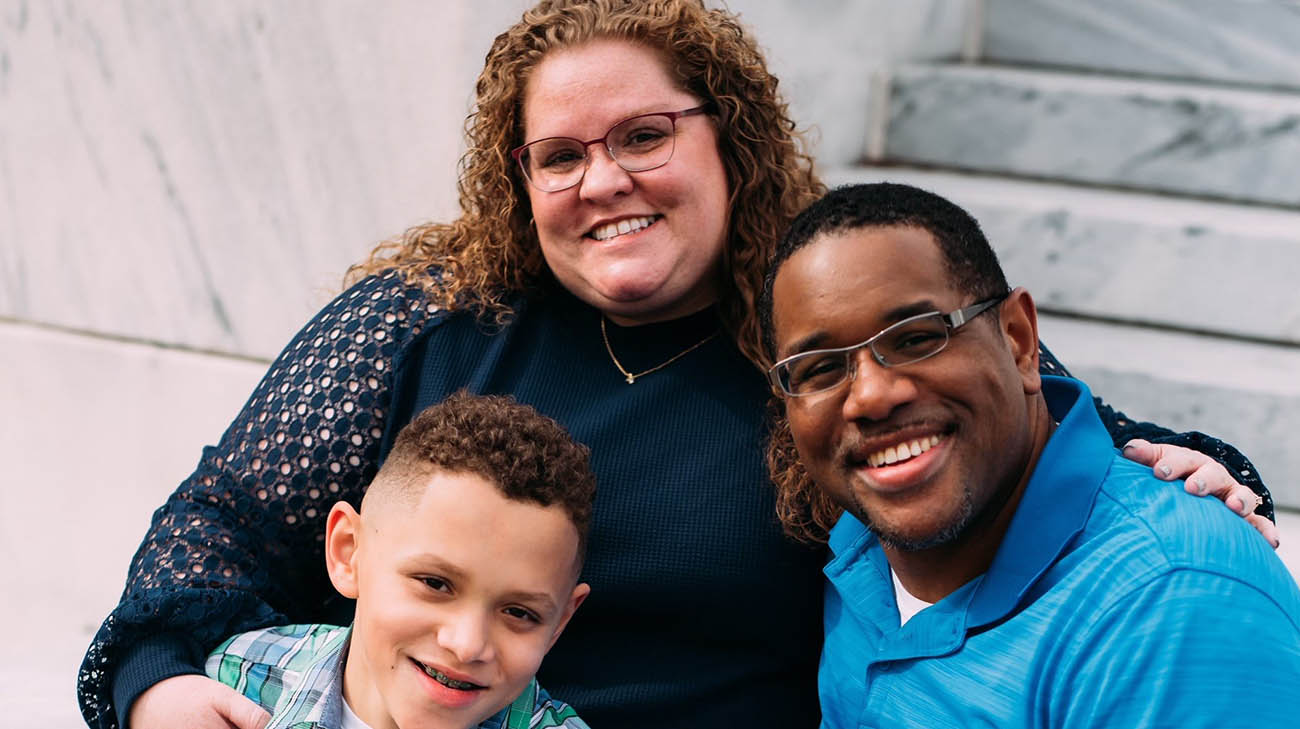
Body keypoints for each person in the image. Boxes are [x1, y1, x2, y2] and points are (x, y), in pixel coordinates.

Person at [77, 2, 1276, 729]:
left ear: (730, 135)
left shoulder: (821, 335)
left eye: (644, 136)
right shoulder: (423, 317)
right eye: (559, 156)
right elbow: (218, 528)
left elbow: (1036, 424)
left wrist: (1202, 469)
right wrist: (156, 686)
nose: (604, 181)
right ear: (519, 180)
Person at [759, 182, 1300, 728]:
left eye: (917, 338)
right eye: (821, 368)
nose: (872, 397)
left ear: (1019, 340)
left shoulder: (1175, 604)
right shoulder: (859, 542)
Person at [204, 392, 594, 729]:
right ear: (348, 552)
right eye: (435, 583)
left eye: (519, 612)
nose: (467, 645)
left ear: (559, 622)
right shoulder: (237, 676)